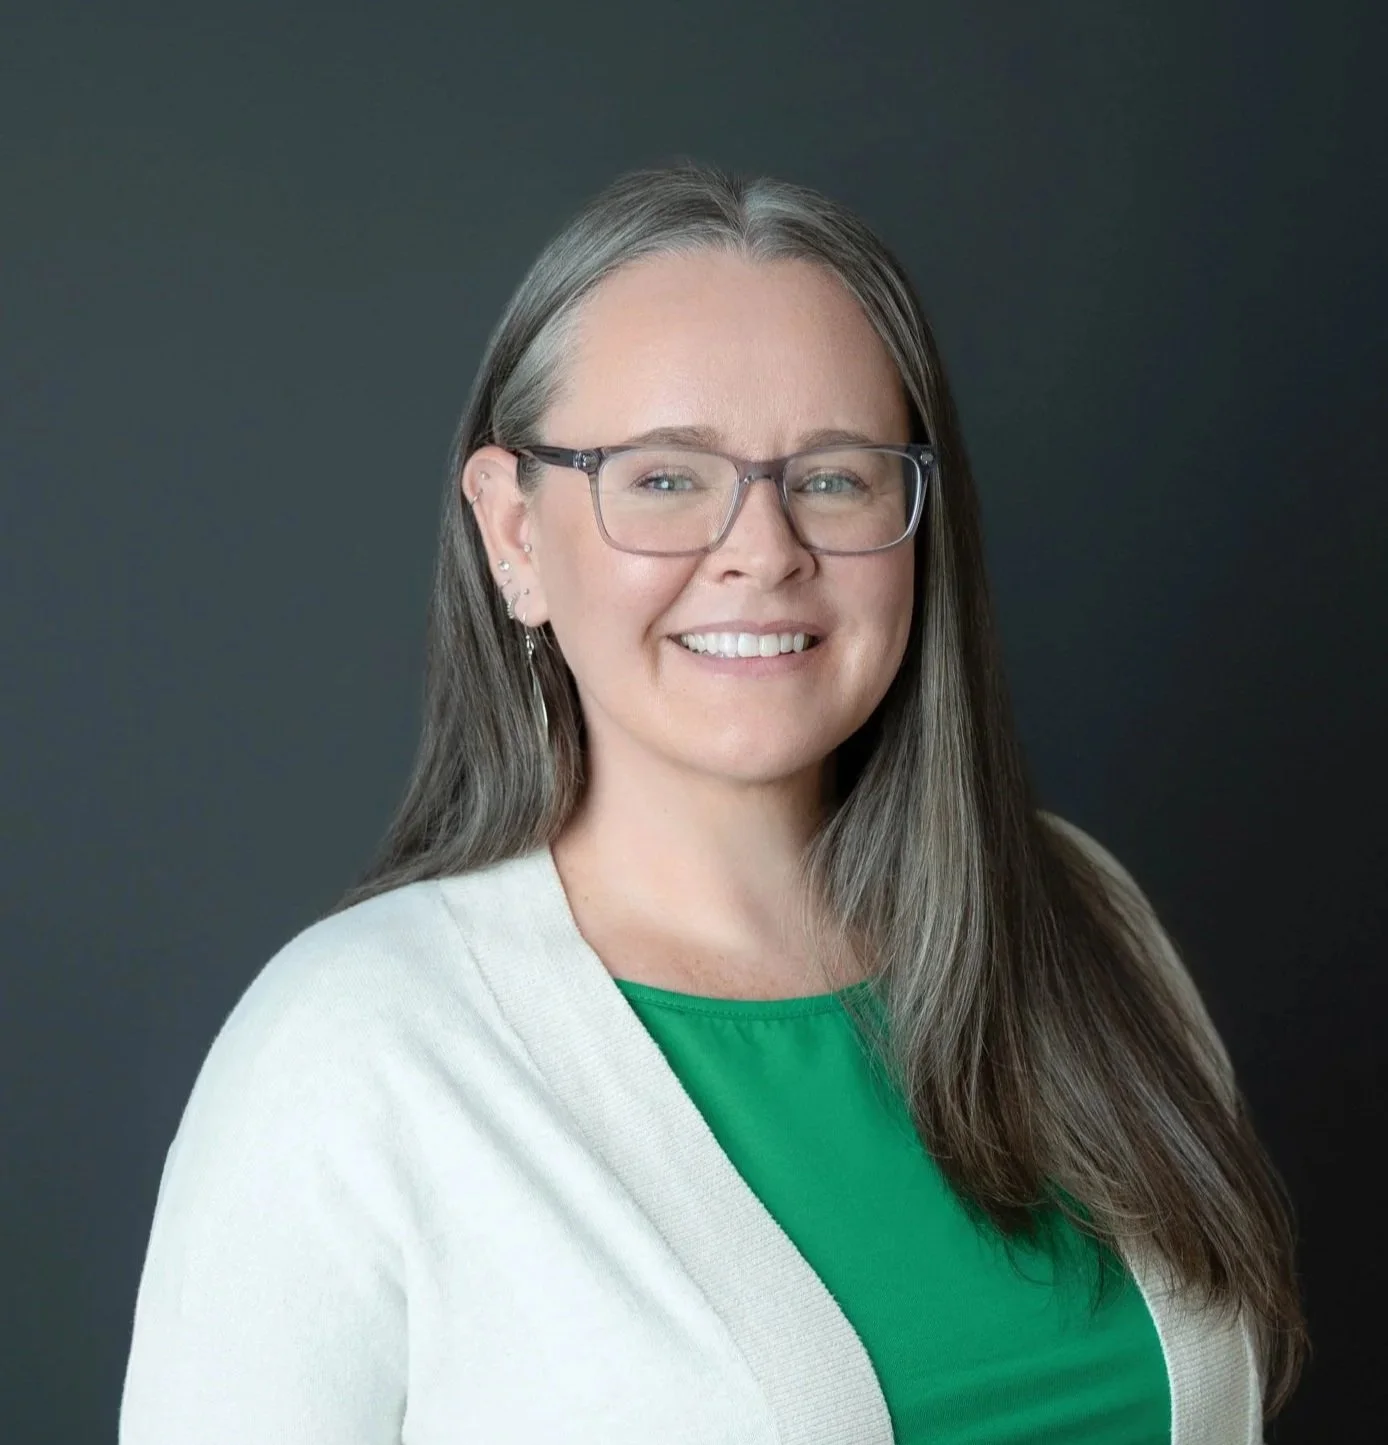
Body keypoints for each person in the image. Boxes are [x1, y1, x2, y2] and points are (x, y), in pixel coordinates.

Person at [119, 161, 1307, 1444]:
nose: (762, 548)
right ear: (512, 533)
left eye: (835, 476)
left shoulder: (1081, 916)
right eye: (666, 477)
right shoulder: (350, 1049)